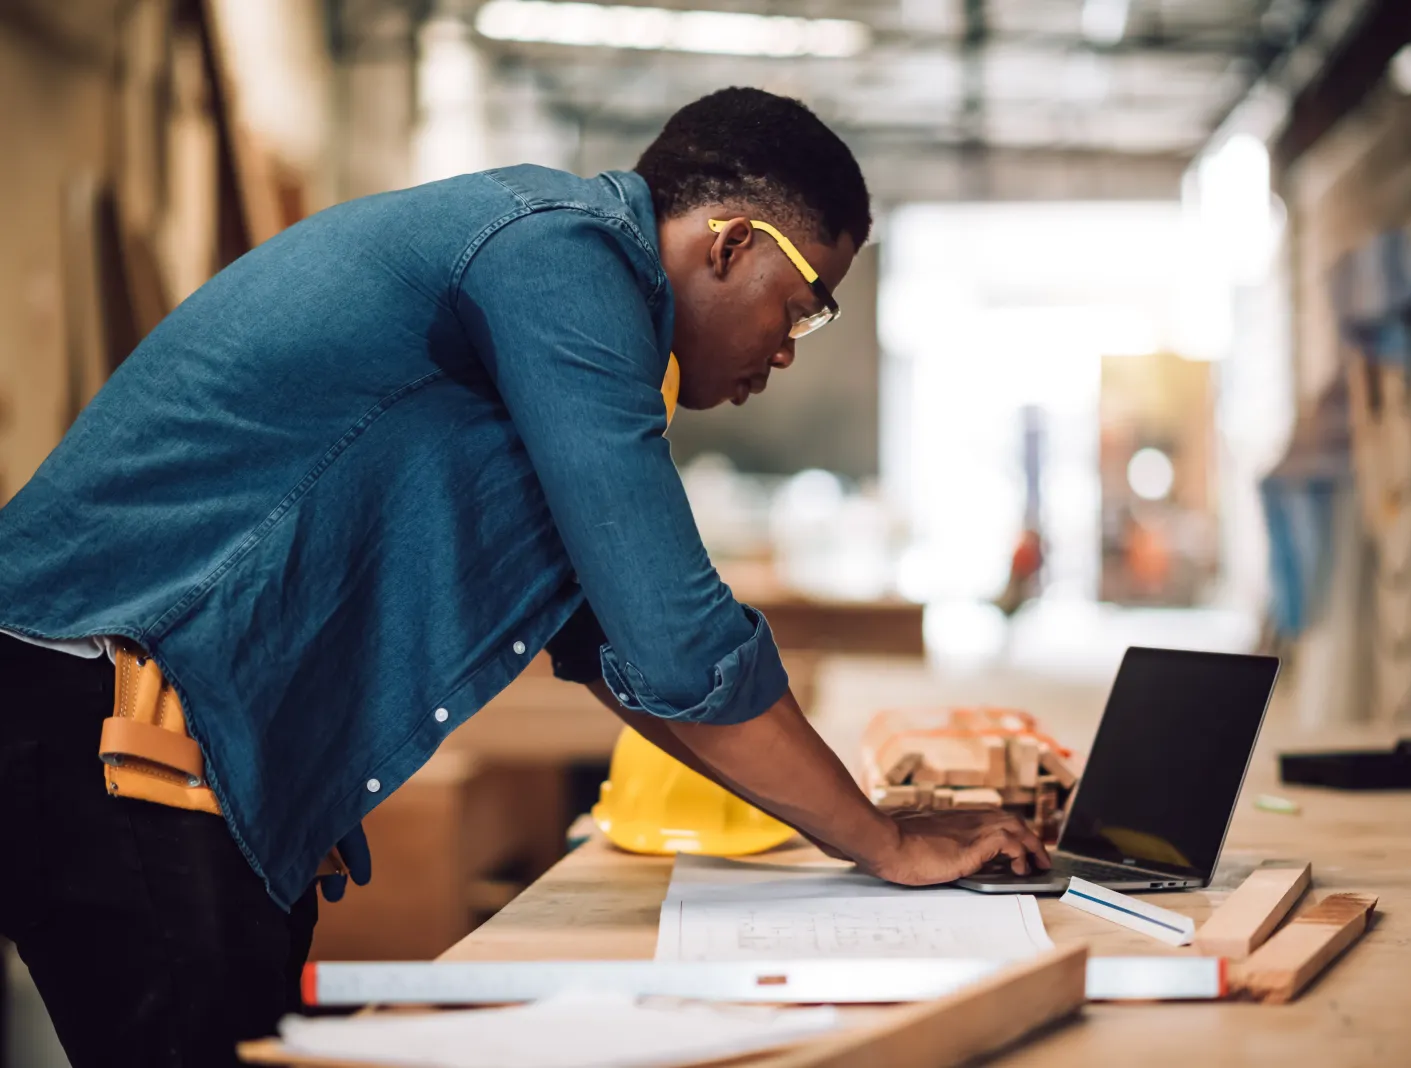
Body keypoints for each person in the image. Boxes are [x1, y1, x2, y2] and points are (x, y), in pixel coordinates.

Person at [0, 87, 1047, 1065]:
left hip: (171, 735)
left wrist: (871, 836)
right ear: (731, 242)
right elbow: (680, 637)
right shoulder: (558, 255)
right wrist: (887, 846)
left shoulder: (553, 311)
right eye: (806, 302)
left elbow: (629, 653)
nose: (790, 348)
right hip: (95, 704)